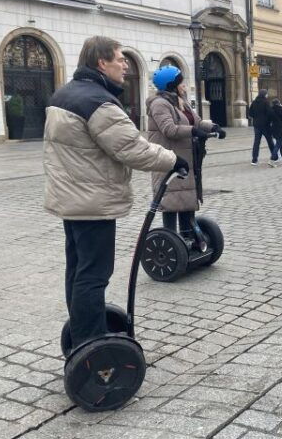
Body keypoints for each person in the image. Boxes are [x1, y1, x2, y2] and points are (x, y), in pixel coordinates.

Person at [44, 36, 183, 349]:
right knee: (93, 276)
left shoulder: (64, 94)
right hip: (92, 202)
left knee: (78, 270)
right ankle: (92, 344)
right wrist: (173, 159)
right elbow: (132, 149)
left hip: (72, 199)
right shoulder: (98, 101)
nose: (124, 64)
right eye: (119, 59)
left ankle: (82, 334)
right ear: (101, 63)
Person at [146, 65, 226, 242]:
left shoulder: (181, 102)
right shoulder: (159, 104)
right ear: (171, 85)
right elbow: (169, 129)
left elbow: (196, 122)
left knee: (185, 201)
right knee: (171, 202)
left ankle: (188, 239)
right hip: (169, 160)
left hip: (186, 159)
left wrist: (213, 127)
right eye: (181, 82)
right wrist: (193, 131)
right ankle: (172, 241)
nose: (184, 85)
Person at [250, 88, 276, 166]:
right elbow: (270, 113)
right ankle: (275, 157)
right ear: (264, 94)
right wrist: (271, 121)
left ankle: (254, 160)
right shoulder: (266, 102)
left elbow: (250, 113)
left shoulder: (254, 102)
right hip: (265, 125)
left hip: (256, 125)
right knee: (270, 141)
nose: (267, 95)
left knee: (256, 142)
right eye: (267, 94)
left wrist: (256, 117)